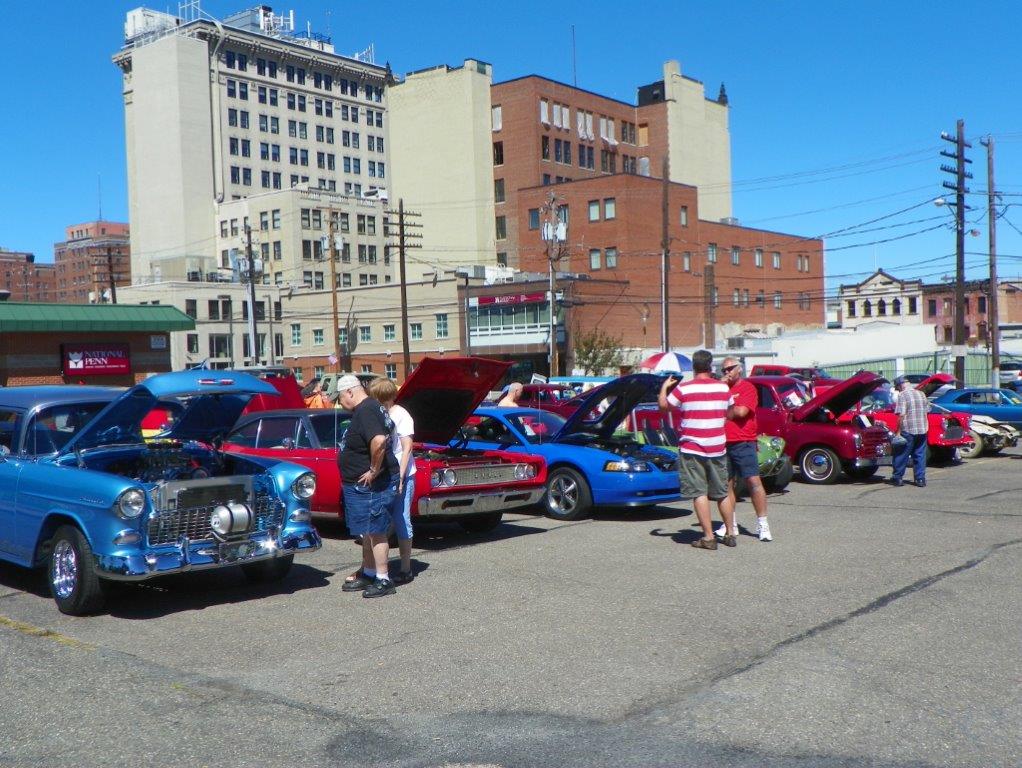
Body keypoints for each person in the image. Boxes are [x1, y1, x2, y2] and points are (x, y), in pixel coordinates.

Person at [658, 349, 736, 551]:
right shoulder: (723, 388)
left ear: (693, 367)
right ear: (710, 367)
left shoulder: (684, 389)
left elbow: (664, 406)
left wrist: (664, 387)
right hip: (717, 447)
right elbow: (731, 413)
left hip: (692, 447)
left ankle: (709, 537)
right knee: (722, 492)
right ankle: (730, 533)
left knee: (699, 492)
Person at [336, 374, 400, 598]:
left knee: (376, 530)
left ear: (350, 392)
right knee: (367, 531)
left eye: (341, 397)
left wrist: (373, 470)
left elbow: (380, 441)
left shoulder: (366, 409)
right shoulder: (369, 408)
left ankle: (383, 579)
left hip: (374, 485)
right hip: (359, 484)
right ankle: (370, 572)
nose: (340, 403)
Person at [716, 357, 772, 542]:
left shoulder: (747, 388)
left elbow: (741, 412)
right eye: (723, 370)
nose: (727, 372)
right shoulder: (720, 389)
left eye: (730, 369)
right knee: (726, 484)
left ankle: (763, 524)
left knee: (753, 481)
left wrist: (726, 409)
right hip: (723, 442)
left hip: (744, 441)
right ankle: (729, 523)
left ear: (739, 369)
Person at [367, 377, 415, 584]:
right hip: (383, 473)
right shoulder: (378, 414)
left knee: (402, 519)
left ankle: (406, 568)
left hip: (403, 474)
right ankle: (374, 568)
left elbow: (407, 449)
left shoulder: (401, 414)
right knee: (377, 521)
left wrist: (402, 478)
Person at [891, 375, 928, 487]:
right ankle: (920, 479)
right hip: (922, 429)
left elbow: (901, 415)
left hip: (908, 429)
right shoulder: (921, 394)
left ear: (900, 386)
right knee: (920, 455)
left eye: (897, 388)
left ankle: (898, 478)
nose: (898, 390)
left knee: (901, 454)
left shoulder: (903, 395)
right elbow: (927, 411)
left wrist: (897, 432)